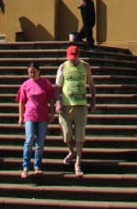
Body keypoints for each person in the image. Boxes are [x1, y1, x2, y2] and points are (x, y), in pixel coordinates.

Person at [55, 45, 96, 179]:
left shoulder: (85, 66)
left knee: (79, 135)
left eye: (75, 57)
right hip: (67, 105)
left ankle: (77, 163)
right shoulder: (62, 67)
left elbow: (91, 84)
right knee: (66, 133)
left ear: (78, 55)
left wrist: (93, 101)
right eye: (70, 57)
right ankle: (71, 151)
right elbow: (57, 86)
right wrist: (58, 102)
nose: (73, 60)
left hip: (81, 105)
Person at [17, 62, 55, 179]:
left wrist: (52, 112)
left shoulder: (45, 83)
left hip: (42, 115)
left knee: (40, 142)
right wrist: (20, 116)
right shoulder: (25, 84)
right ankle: (25, 166)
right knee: (29, 140)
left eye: (34, 72)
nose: (32, 74)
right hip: (29, 115)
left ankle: (37, 165)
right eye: (30, 72)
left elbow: (51, 98)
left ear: (39, 71)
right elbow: (21, 101)